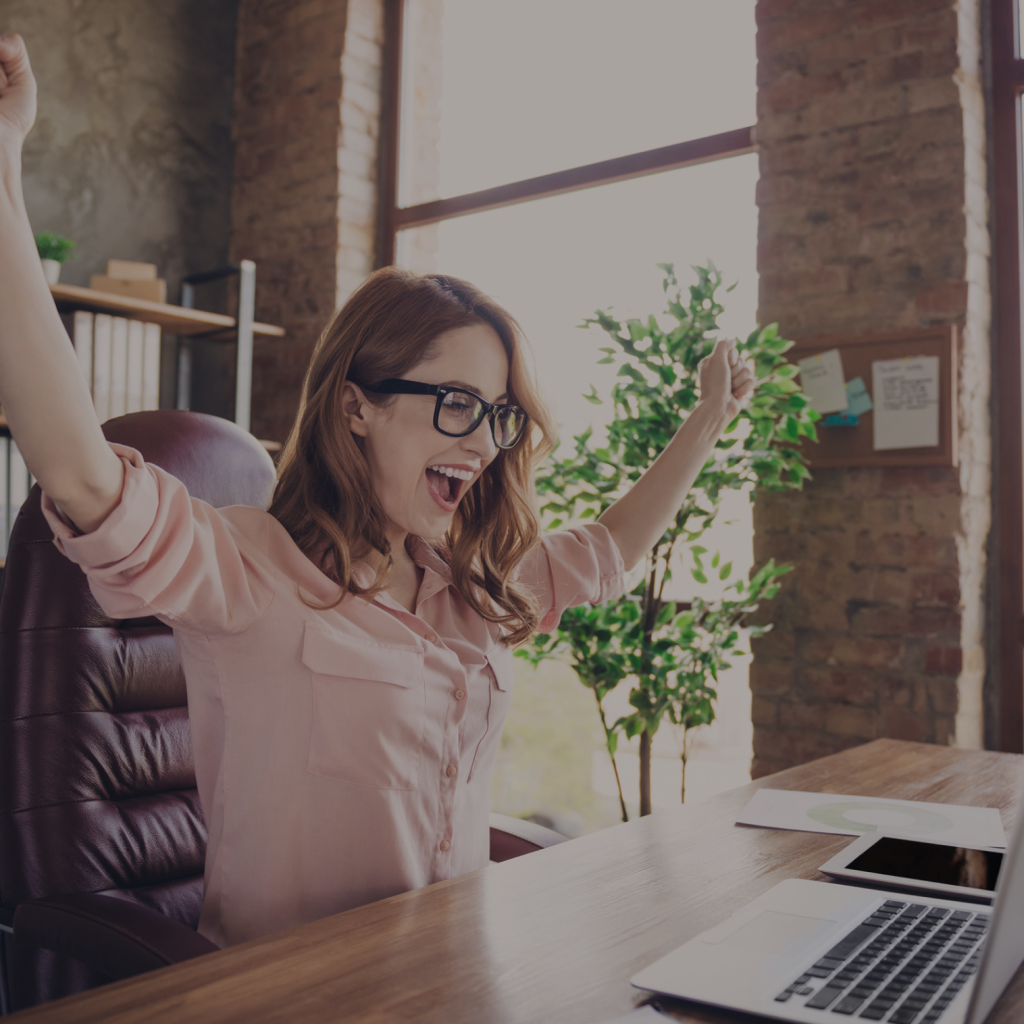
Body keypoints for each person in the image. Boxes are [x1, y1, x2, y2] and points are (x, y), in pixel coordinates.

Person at [0, 34, 755, 947]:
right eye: (455, 405)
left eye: (500, 414)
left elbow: (603, 554)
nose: (483, 442)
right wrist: (6, 156)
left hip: (455, 987)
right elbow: (79, 469)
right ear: (356, 407)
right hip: (294, 1003)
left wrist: (705, 425)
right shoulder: (245, 573)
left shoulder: (463, 586)